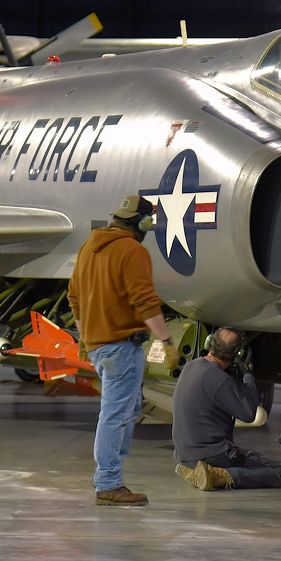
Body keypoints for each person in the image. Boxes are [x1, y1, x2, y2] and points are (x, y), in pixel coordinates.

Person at [68, 194, 179, 506]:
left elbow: (73, 296)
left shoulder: (89, 246)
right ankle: (108, 482)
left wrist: (85, 336)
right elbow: (145, 301)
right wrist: (166, 341)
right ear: (141, 223)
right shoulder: (133, 250)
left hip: (101, 347)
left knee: (127, 409)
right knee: (115, 415)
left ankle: (111, 468)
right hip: (121, 348)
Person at [172, 327, 281, 491]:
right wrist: (247, 375)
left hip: (184, 455)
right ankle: (218, 475)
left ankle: (198, 472)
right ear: (237, 354)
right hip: (210, 456)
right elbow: (248, 414)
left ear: (211, 343)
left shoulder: (191, 366)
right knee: (278, 473)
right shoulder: (219, 379)